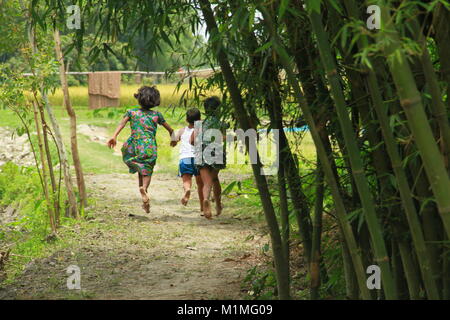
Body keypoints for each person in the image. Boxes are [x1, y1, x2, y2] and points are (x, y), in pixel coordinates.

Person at [107, 86, 174, 213]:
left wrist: (114, 136)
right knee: (147, 170)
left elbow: (122, 124)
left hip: (134, 145)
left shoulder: (131, 112)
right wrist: (173, 138)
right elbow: (170, 130)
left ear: (139, 99)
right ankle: (144, 188)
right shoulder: (156, 115)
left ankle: (145, 200)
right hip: (149, 146)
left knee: (140, 168)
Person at [190, 96, 228, 219]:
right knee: (214, 179)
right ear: (219, 110)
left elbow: (191, 140)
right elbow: (223, 138)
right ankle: (218, 205)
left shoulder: (199, 124)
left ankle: (206, 199)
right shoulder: (221, 124)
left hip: (201, 152)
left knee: (207, 182)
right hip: (215, 152)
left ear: (205, 110)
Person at [170, 108, 204, 212]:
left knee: (186, 180)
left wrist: (174, 142)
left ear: (186, 119)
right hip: (198, 158)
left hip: (185, 158)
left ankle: (187, 190)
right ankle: (202, 207)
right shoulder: (200, 129)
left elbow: (173, 141)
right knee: (200, 184)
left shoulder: (182, 130)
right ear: (199, 119)